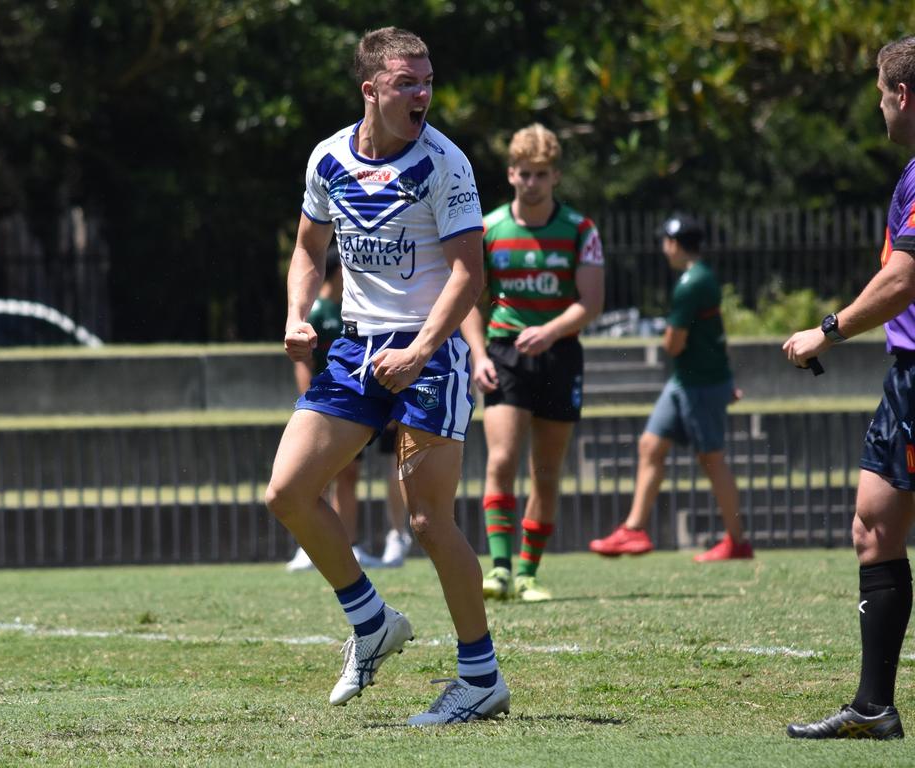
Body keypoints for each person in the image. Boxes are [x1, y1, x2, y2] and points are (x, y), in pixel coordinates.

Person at [264, 26, 509, 726]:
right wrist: (296, 314)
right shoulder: (328, 158)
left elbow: (469, 274)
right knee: (287, 491)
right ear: (370, 89)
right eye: (407, 82)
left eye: (427, 79)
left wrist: (421, 352)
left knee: (430, 520)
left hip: (429, 353)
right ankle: (371, 622)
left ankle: (480, 678)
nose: (422, 92)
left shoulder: (445, 164)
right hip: (356, 350)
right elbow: (308, 249)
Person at [781, 35, 915, 741]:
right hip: (905, 379)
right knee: (874, 525)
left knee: (877, 525)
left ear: (902, 95)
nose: (879, 107)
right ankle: (873, 706)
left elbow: (903, 279)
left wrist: (826, 331)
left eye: (880, 93)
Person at [460, 124, 604, 602]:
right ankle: (499, 569)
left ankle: (529, 572)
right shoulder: (488, 228)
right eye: (524, 173)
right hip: (505, 353)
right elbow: (468, 302)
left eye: (541, 174)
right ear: (510, 174)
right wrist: (478, 355)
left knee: (546, 469)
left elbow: (591, 302)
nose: (532, 183)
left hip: (559, 354)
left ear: (556, 176)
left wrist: (552, 330)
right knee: (501, 459)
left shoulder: (580, 231)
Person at [589, 214, 754, 562]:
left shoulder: (690, 284)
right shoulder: (702, 278)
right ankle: (633, 530)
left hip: (699, 384)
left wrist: (670, 340)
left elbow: (673, 344)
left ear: (675, 244)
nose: (664, 249)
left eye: (666, 242)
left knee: (711, 459)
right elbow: (717, 334)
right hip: (685, 381)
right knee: (650, 444)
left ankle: (737, 542)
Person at [286, 251, 413, 572]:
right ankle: (310, 548)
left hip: (353, 403)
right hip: (331, 403)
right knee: (318, 475)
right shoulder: (317, 311)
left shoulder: (350, 311)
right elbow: (304, 367)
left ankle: (349, 543)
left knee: (348, 475)